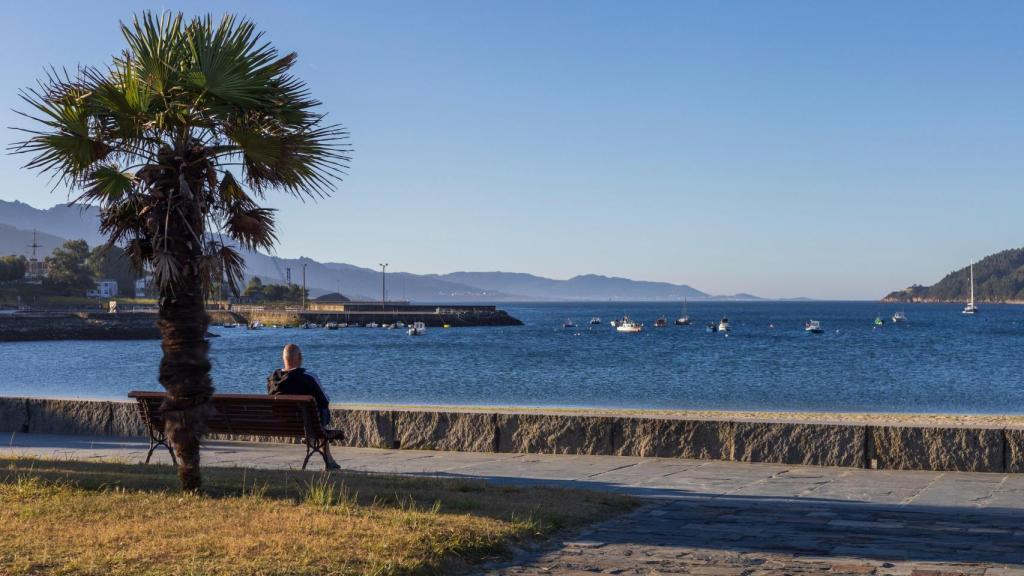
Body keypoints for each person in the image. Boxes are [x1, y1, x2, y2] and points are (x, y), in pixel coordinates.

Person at [267, 343, 340, 470]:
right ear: (300, 357)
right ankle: (328, 458)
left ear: (284, 358)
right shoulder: (308, 377)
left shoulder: (272, 380)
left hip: (283, 423)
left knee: (315, 414)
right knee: (322, 411)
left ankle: (328, 457)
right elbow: (324, 401)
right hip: (308, 425)